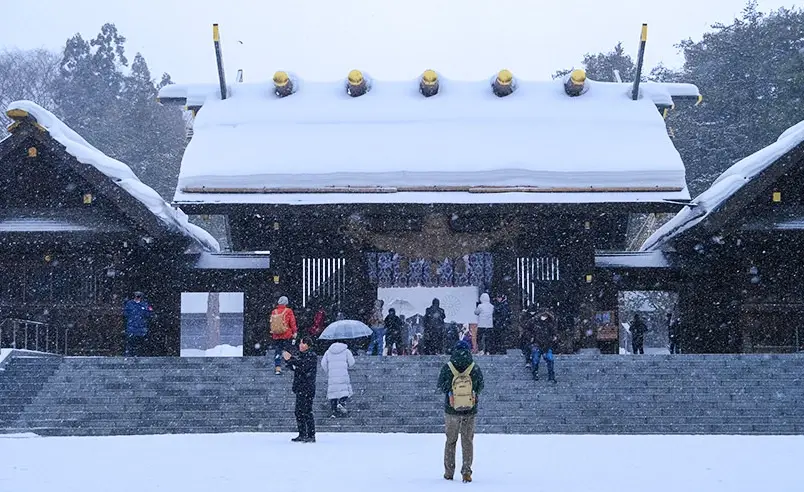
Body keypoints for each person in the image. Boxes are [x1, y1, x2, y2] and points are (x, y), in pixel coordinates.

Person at [437, 340, 484, 483]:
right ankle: (466, 472)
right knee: (467, 441)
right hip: (470, 410)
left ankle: (449, 472)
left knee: (451, 441)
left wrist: (451, 392)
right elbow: (480, 386)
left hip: (451, 409)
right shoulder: (474, 367)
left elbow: (441, 385)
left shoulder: (448, 367)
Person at [282, 336, 317, 443]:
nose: (301, 345)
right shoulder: (301, 355)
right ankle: (302, 433)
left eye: (304, 343)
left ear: (309, 345)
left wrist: (290, 359)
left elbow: (303, 367)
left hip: (307, 388)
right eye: (300, 343)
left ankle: (311, 435)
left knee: (307, 411)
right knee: (299, 412)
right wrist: (288, 361)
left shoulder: (311, 355)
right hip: (300, 387)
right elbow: (295, 366)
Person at [321, 340, 356, 418]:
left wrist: (329, 370)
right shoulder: (346, 351)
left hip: (332, 376)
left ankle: (334, 412)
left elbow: (323, 363)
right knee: (344, 391)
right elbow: (352, 362)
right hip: (343, 375)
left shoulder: (328, 352)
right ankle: (341, 402)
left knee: (333, 393)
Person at [270, 296, 298, 375]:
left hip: (277, 335)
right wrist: (295, 332)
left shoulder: (274, 311)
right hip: (286, 334)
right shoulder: (288, 311)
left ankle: (278, 368)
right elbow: (292, 322)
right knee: (287, 350)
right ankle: (289, 365)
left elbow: (272, 323)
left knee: (278, 351)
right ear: (286, 303)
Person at [530, 311, 558, 383]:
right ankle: (535, 373)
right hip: (538, 344)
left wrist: (553, 338)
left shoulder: (550, 325)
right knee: (536, 360)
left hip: (546, 345)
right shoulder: (535, 324)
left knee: (549, 359)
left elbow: (554, 334)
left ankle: (550, 375)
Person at [123, 291, 153, 357]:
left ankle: (139, 355)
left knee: (140, 343)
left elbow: (149, 314)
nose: (137, 297)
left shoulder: (144, 304)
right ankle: (130, 355)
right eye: (136, 296)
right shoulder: (130, 304)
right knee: (131, 342)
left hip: (141, 327)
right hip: (132, 327)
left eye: (139, 296)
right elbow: (125, 313)